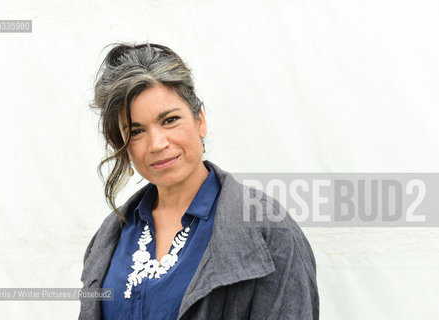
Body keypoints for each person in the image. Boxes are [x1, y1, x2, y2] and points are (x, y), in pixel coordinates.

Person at [79, 42, 319, 320]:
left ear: (200, 120)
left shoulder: (269, 231)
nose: (157, 143)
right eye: (137, 131)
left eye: (169, 120)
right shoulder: (111, 236)